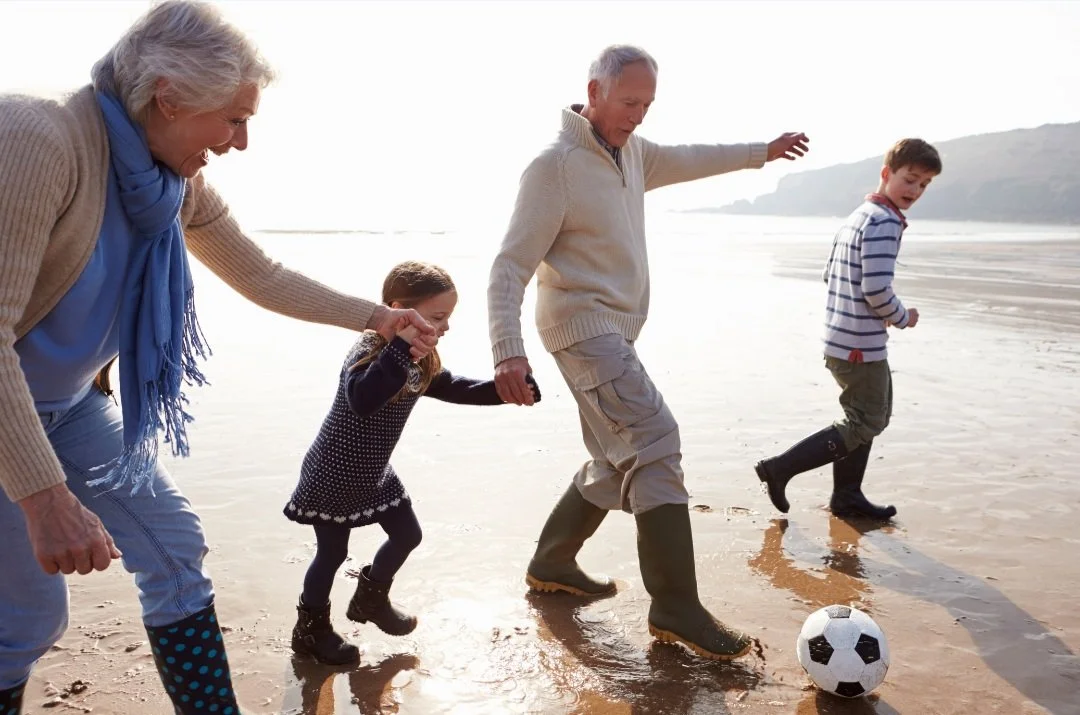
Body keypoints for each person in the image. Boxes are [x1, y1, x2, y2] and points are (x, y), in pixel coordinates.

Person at [0, 2, 435, 713]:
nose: (240, 141)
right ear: (169, 95)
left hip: (68, 404)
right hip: (7, 412)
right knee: (24, 618)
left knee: (174, 549)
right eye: (234, 118)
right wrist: (45, 498)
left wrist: (378, 317)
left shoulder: (168, 181)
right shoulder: (36, 138)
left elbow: (260, 273)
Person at [486, 44, 810, 661]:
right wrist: (508, 352)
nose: (637, 115)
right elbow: (509, 266)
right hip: (582, 329)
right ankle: (676, 606)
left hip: (612, 332)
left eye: (647, 104)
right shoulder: (554, 167)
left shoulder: (633, 153)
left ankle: (552, 561)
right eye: (629, 101)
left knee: (617, 457)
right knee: (655, 440)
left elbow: (691, 158)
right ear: (595, 90)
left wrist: (758, 154)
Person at [285, 261, 541, 666]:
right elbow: (364, 399)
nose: (445, 327)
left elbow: (451, 386)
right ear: (399, 309)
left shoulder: (420, 358)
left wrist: (503, 391)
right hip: (334, 472)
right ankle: (311, 631)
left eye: (447, 318)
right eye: (438, 317)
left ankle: (371, 598)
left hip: (374, 472)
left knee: (407, 535)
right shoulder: (369, 348)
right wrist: (400, 347)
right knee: (331, 555)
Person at [754, 138, 942, 521]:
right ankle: (781, 468)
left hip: (841, 337)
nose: (915, 190)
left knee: (871, 414)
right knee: (866, 419)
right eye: (909, 179)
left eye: (924, 184)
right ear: (887, 174)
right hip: (859, 345)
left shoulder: (860, 214)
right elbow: (875, 289)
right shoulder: (885, 222)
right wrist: (902, 315)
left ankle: (847, 495)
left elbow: (830, 273)